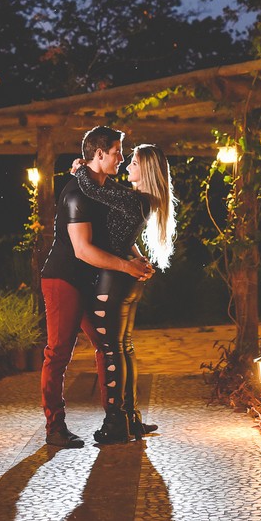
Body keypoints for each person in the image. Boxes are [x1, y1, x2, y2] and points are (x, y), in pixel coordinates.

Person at [39, 126, 155, 448]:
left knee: (108, 347)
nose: (122, 157)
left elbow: (113, 238)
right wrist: (126, 266)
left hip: (92, 278)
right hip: (64, 279)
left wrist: (137, 257)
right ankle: (55, 428)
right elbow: (83, 250)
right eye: (117, 152)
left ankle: (119, 418)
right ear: (100, 154)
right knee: (58, 353)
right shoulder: (77, 193)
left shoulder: (103, 189)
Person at [72, 143, 176, 444]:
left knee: (111, 348)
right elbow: (110, 195)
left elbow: (97, 192)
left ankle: (116, 423)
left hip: (115, 279)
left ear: (146, 170)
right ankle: (131, 417)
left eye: (133, 163)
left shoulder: (135, 199)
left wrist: (81, 171)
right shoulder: (141, 199)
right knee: (123, 347)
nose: (127, 166)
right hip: (125, 278)